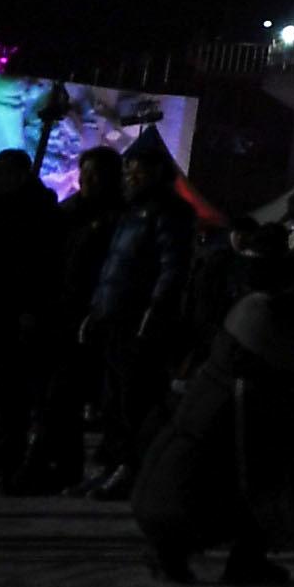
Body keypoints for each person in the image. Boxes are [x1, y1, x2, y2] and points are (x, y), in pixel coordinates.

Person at [131, 289, 294, 586]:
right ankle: (247, 562)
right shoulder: (255, 389)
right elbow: (260, 464)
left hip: (149, 497)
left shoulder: (219, 364)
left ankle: (170, 552)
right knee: (273, 476)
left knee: (201, 460)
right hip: (185, 504)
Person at [86, 137, 199, 493]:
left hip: (140, 319)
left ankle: (136, 468)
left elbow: (172, 266)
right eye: (128, 169)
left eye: (139, 170)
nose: (132, 176)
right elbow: (113, 267)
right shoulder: (131, 211)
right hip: (116, 314)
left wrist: (157, 309)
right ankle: (117, 464)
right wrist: (98, 308)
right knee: (114, 398)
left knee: (137, 399)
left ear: (157, 173)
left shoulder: (171, 211)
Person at [0, 148, 68, 494]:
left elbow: (45, 270)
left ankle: (7, 467)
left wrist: (33, 310)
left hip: (16, 318)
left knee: (13, 400)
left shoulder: (42, 218)